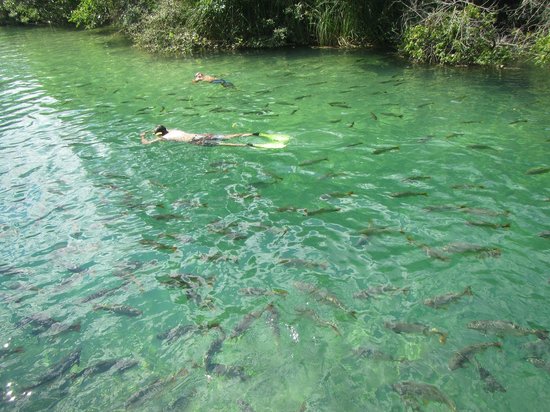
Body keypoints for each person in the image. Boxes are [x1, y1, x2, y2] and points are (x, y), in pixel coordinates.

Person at [140, 125, 258, 147]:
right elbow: (164, 130)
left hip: (196, 141)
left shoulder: (164, 138)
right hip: (199, 135)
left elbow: (146, 143)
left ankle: (244, 145)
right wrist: (153, 131)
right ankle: (251, 134)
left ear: (159, 134)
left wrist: (142, 136)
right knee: (226, 136)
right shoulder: (172, 131)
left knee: (221, 144)